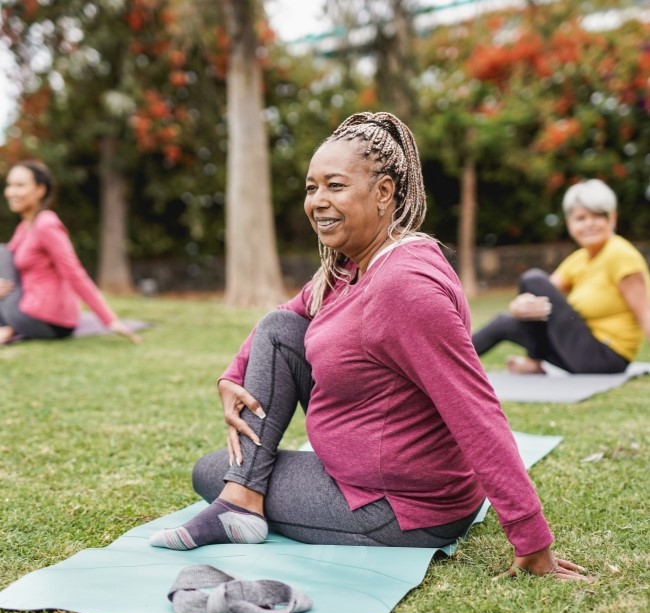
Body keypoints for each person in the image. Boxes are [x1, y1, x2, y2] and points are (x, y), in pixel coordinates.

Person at [150, 112, 587, 580]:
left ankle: (240, 499)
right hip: (367, 479)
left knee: (209, 470)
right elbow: (286, 316)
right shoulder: (351, 266)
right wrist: (231, 375)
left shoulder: (404, 287)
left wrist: (532, 540)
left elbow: (475, 409)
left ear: (383, 193)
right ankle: (243, 498)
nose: (318, 201)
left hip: (400, 508)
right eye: (311, 187)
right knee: (279, 330)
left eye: (335, 186)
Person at [473, 179, 650, 374]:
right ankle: (442, 364)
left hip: (606, 356)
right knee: (504, 323)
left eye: (598, 216)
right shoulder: (579, 259)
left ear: (612, 219)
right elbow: (542, 294)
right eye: (581, 218)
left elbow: (646, 315)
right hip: (579, 352)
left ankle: (534, 361)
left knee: (532, 278)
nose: (589, 224)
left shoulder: (620, 255)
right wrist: (518, 307)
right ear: (570, 224)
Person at [0, 160, 141, 345]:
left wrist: (110, 320)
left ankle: (9, 329)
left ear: (40, 189)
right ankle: (9, 328)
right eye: (10, 185)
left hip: (46, 319)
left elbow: (74, 273)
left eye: (20, 185)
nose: (11, 192)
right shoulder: (25, 227)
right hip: (27, 308)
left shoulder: (46, 224)